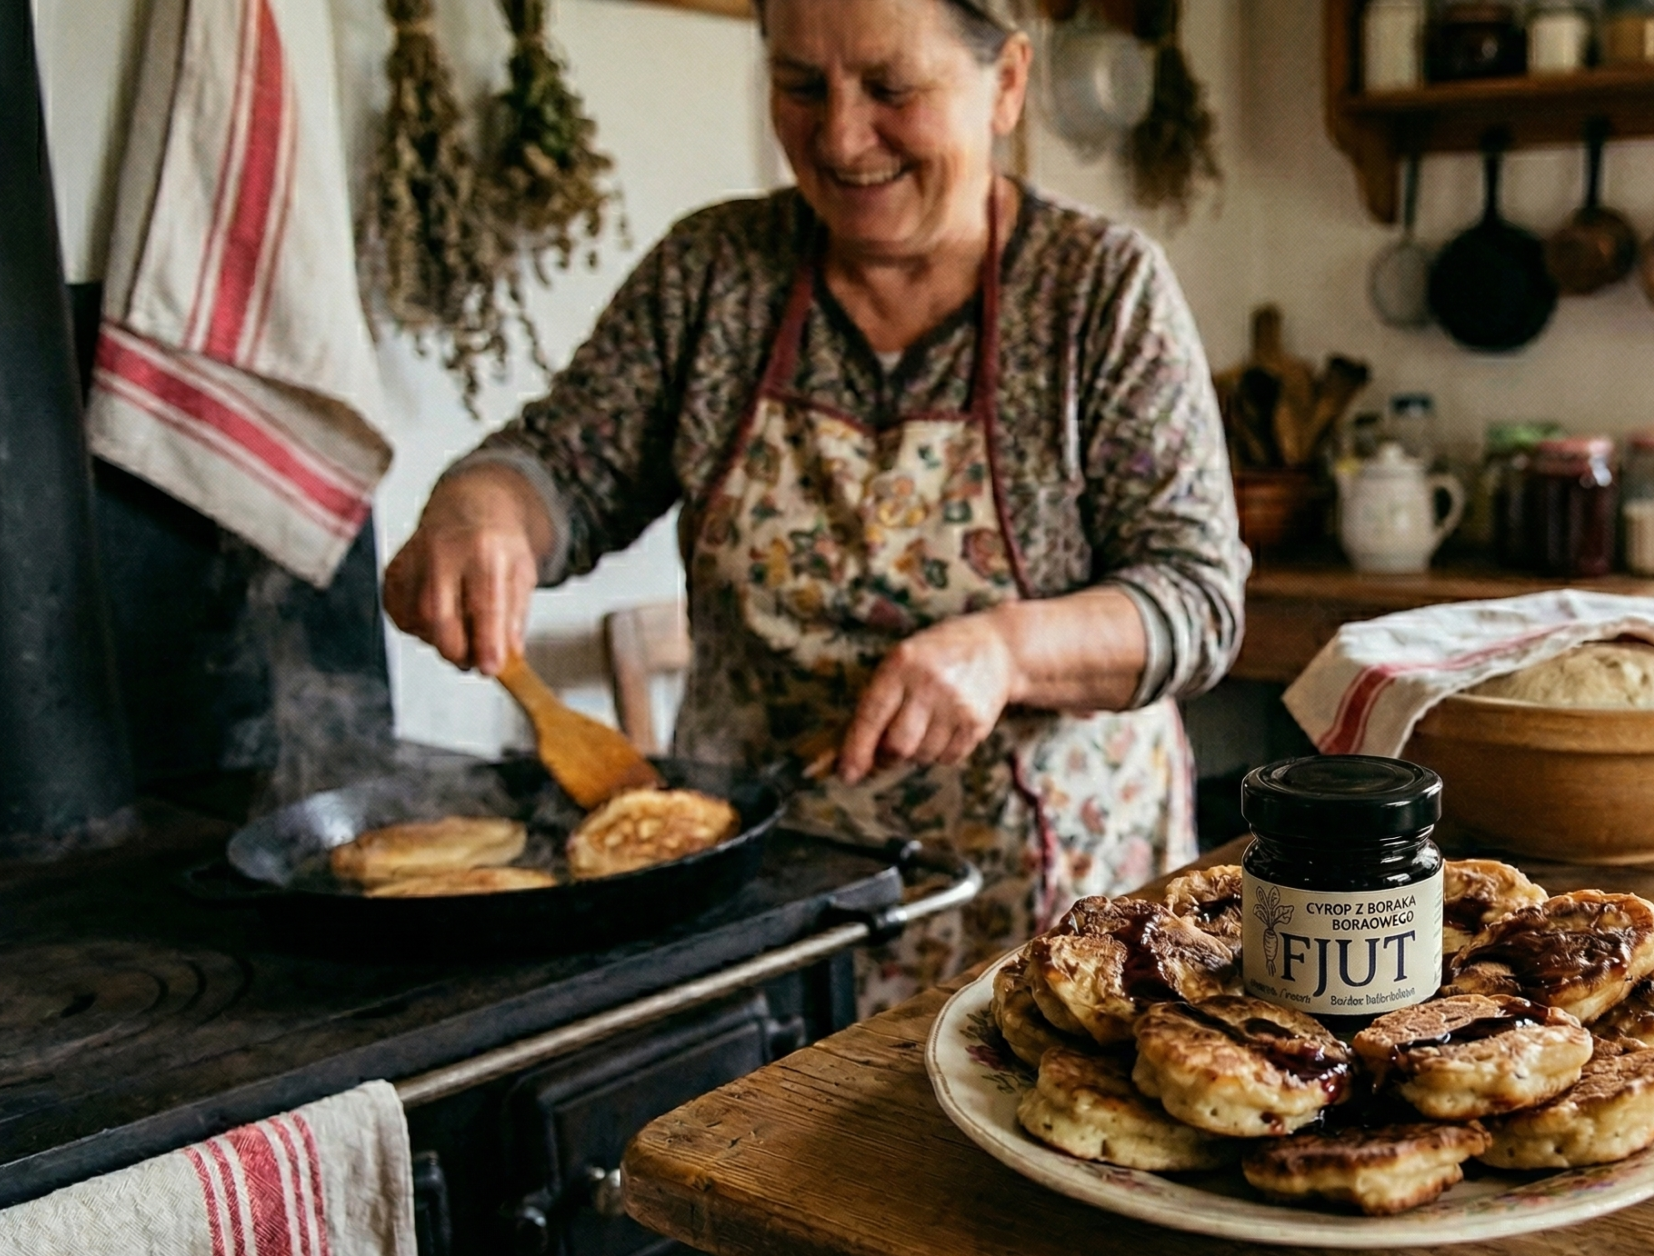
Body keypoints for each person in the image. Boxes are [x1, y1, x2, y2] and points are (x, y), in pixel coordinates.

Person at [380, 0, 1246, 1014]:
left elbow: (1194, 601)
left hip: (1049, 916)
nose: (839, 136)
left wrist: (1003, 650)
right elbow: (560, 467)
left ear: (1005, 83)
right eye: (799, 84)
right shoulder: (712, 277)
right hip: (763, 908)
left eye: (891, 88)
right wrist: (482, 506)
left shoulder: (1099, 293)